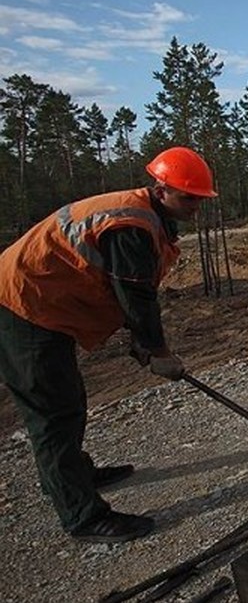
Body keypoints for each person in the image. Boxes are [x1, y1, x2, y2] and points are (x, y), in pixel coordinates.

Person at [0, 146, 216, 544]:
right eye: (189, 197)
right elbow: (136, 296)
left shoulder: (149, 217)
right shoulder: (131, 223)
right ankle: (82, 515)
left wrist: (144, 346)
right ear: (161, 188)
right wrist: (158, 352)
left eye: (200, 198)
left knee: (67, 399)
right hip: (23, 305)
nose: (196, 206)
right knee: (53, 412)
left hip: (47, 304)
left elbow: (121, 289)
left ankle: (73, 474)